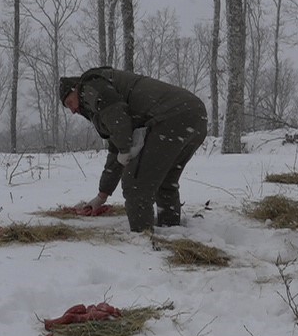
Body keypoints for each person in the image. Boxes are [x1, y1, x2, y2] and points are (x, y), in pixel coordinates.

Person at [59, 67, 208, 232]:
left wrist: (124, 149)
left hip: (171, 118)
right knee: (164, 182)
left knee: (136, 185)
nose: (72, 110)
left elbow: (117, 117)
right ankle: (170, 232)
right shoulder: (103, 93)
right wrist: (102, 196)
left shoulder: (89, 86)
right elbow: (116, 146)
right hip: (194, 115)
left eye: (69, 103)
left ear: (75, 89)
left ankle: (142, 239)